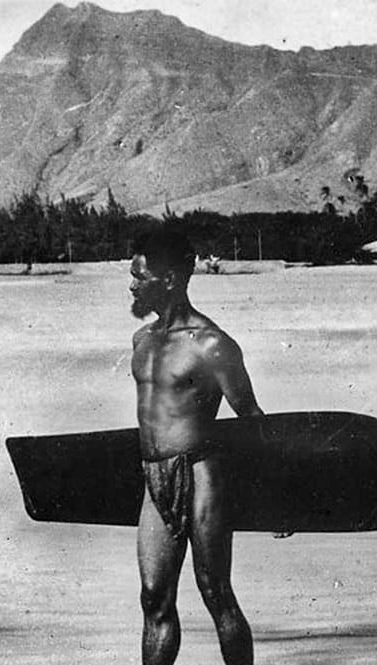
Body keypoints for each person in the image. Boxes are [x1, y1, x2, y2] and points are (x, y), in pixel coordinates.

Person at [128, 228, 263, 665]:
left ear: (168, 279)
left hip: (202, 473)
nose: (131, 285)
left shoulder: (212, 344)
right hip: (155, 478)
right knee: (154, 598)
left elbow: (252, 419)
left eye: (139, 276)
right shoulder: (142, 341)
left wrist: (277, 493)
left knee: (215, 592)